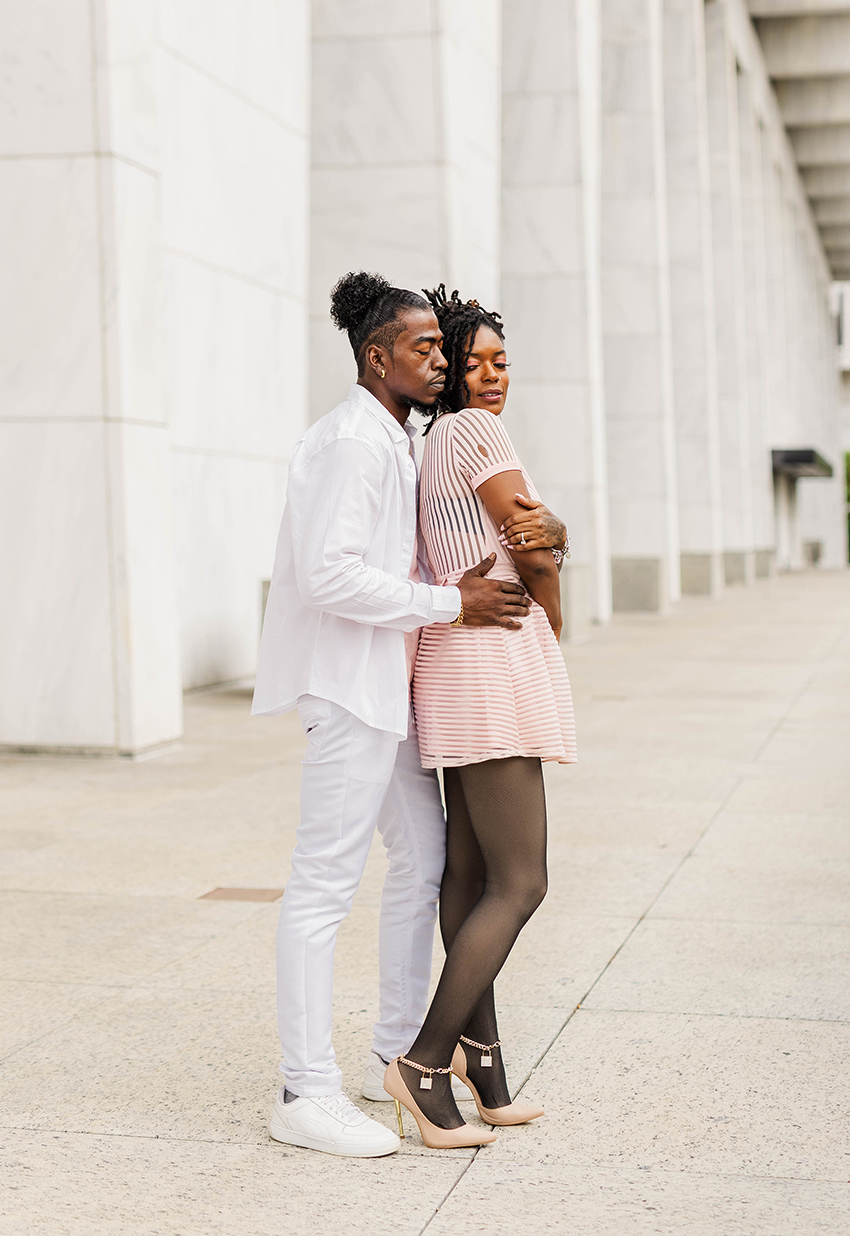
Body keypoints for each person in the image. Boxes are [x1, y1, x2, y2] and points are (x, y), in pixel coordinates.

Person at [253, 273, 549, 1159]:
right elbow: (327, 574)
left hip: (388, 688)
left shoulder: (391, 440)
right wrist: (446, 604)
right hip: (346, 689)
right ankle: (303, 1091)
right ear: (375, 356)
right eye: (423, 348)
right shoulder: (351, 442)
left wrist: (445, 598)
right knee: (323, 886)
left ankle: (398, 1051)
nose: (440, 360)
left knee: (425, 861)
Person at [380, 288, 575, 1148]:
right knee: (521, 880)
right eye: (475, 362)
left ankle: (483, 1063)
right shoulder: (476, 431)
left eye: (503, 362)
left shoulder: (434, 444)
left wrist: (550, 532)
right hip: (490, 667)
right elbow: (528, 541)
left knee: (468, 873)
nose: (493, 376)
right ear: (448, 372)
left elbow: (519, 530)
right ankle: (424, 1064)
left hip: (452, 667)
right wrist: (556, 595)